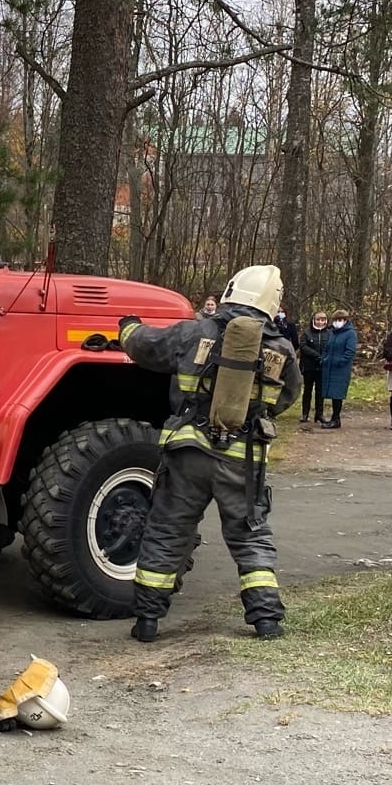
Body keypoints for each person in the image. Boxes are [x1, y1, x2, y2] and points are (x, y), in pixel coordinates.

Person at [117, 263, 299, 643]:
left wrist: (127, 326)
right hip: (242, 460)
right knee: (249, 534)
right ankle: (266, 621)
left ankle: (147, 622)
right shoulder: (280, 348)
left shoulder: (197, 330)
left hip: (188, 453)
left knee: (168, 530)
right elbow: (286, 397)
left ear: (233, 291)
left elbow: (145, 347)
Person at [317, 309, 357, 428]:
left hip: (341, 369)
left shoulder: (350, 333)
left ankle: (336, 418)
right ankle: (333, 419)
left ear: (345, 321)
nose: (337, 322)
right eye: (335, 320)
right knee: (330, 393)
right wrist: (323, 359)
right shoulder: (332, 333)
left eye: (340, 320)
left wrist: (341, 361)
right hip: (329, 367)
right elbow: (327, 348)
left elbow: (350, 351)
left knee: (337, 395)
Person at [299, 312, 329, 423]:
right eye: (318, 320)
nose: (320, 322)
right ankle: (305, 413)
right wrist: (317, 355)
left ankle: (319, 414)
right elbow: (303, 347)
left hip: (322, 366)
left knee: (320, 391)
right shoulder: (306, 333)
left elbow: (331, 347)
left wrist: (324, 357)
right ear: (313, 320)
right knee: (307, 390)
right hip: (308, 365)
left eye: (323, 320)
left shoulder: (329, 333)